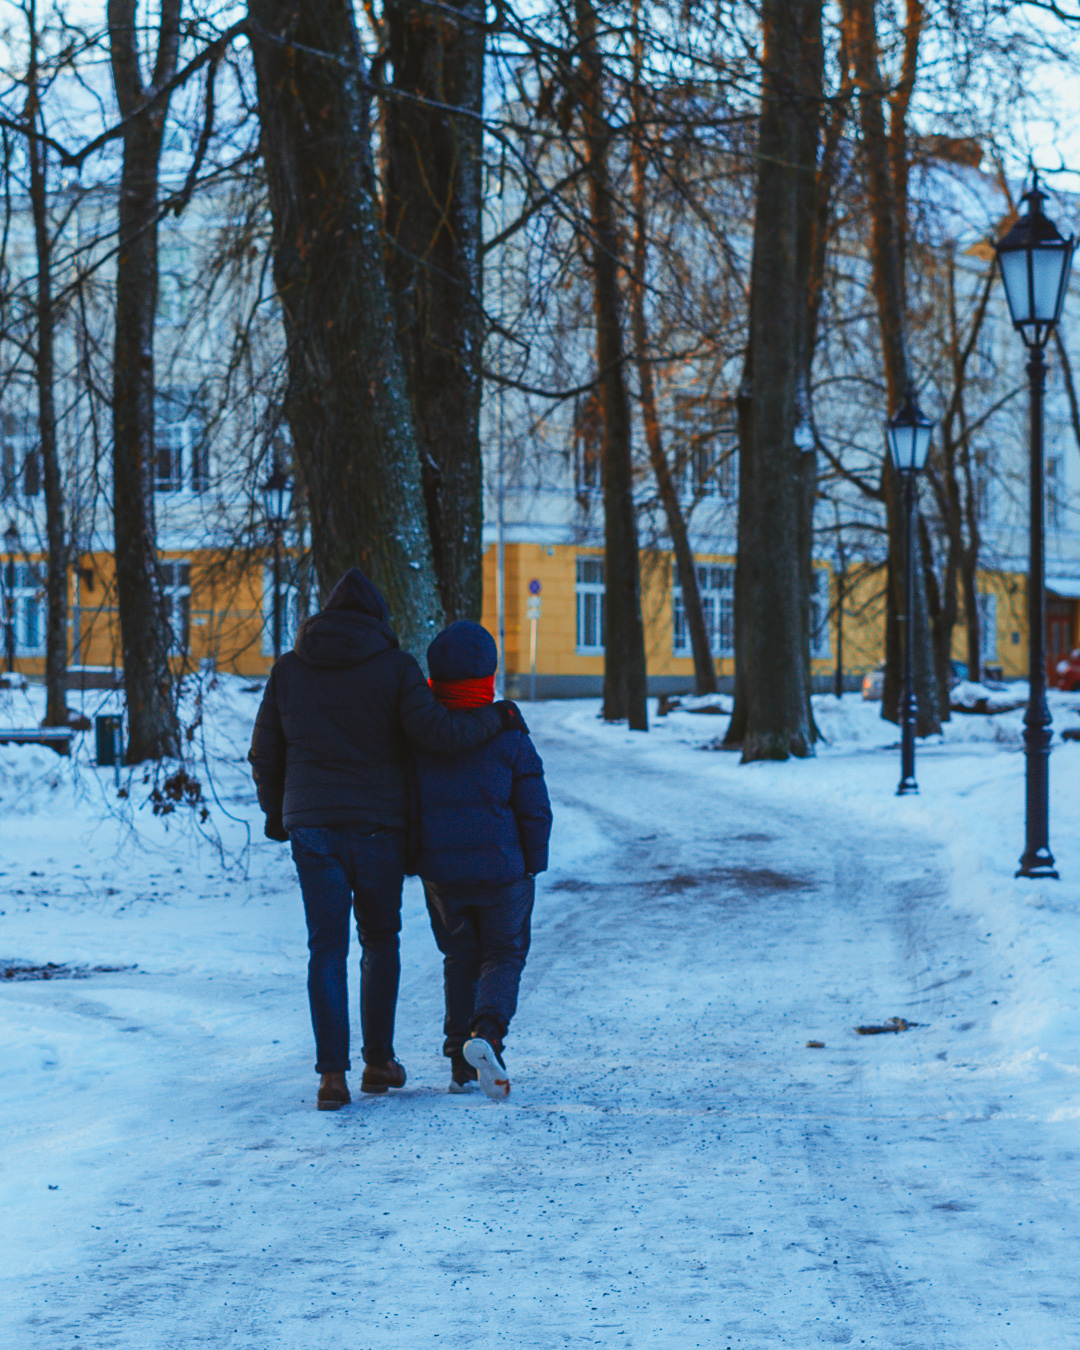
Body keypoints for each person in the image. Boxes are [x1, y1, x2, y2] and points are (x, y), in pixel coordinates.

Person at [248, 569, 526, 1111]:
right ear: (377, 620)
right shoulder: (394, 669)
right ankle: (378, 1060)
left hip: (313, 829)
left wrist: (280, 813)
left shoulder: (287, 671)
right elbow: (441, 734)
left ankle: (332, 1076)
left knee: (325, 947)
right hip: (378, 827)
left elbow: (265, 753)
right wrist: (499, 718)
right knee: (379, 940)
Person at [415, 620, 552, 1100]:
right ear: (488, 678)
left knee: (459, 956)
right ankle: (487, 1035)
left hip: (442, 874)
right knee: (504, 953)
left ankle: (459, 1064)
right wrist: (534, 861)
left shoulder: (421, 737)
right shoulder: (510, 734)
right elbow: (534, 806)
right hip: (503, 871)